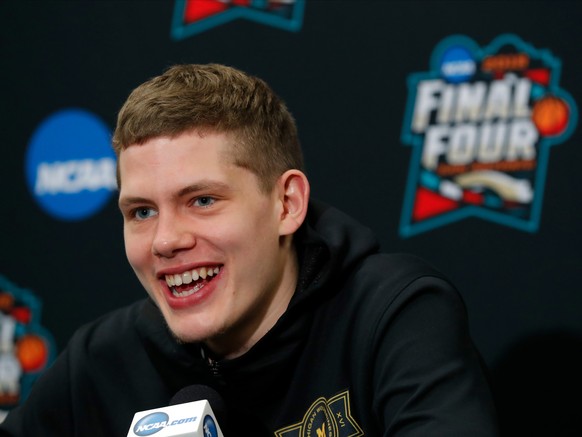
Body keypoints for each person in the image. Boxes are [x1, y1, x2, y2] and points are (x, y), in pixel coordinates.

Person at [0, 64, 499, 436]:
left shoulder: (393, 314)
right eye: (141, 212)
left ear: (286, 204)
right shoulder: (101, 360)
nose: (167, 240)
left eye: (202, 200)